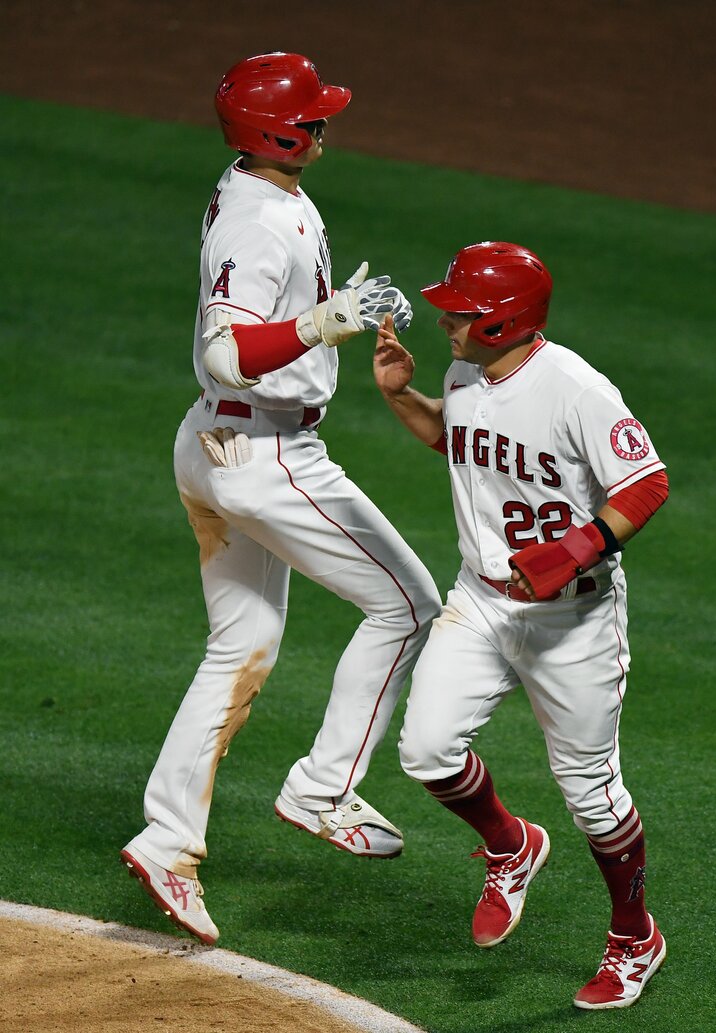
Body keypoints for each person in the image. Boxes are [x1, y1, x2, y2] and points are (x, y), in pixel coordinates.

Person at [120, 52, 441, 945]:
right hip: (264, 453)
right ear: (277, 129)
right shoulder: (261, 221)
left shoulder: (254, 186)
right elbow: (228, 350)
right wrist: (320, 324)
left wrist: (329, 315)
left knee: (244, 643)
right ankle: (323, 787)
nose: (323, 125)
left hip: (211, 442)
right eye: (311, 115)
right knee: (410, 603)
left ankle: (166, 839)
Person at [373, 242, 669, 1010]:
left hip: (572, 620)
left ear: (503, 319)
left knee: (592, 798)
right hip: (479, 601)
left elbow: (645, 482)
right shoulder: (464, 371)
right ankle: (510, 845)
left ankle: (634, 936)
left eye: (460, 312)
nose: (445, 320)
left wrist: (572, 551)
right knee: (426, 751)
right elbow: (465, 445)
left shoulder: (575, 388)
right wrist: (404, 398)